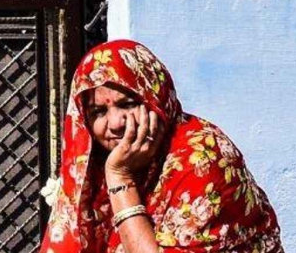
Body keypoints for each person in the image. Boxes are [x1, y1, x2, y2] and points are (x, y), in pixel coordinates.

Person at [40, 40, 282, 253]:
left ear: (155, 100)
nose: (115, 123)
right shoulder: (94, 163)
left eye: (128, 104)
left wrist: (120, 178)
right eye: (99, 111)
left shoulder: (202, 159)